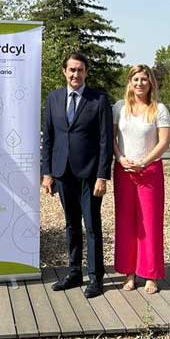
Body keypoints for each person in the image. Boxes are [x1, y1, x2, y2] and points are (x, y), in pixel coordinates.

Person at [41, 53, 113, 299]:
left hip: (91, 175)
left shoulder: (99, 99)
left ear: (86, 72)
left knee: (92, 225)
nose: (75, 74)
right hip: (63, 173)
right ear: (64, 72)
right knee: (71, 224)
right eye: (72, 70)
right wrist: (47, 172)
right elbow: (48, 138)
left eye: (80, 70)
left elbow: (105, 140)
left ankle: (95, 277)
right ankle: (74, 272)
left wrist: (103, 175)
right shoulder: (53, 98)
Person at [112, 65, 170, 295]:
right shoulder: (120, 108)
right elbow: (113, 139)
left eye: (144, 79)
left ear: (151, 83)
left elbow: (163, 142)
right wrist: (120, 158)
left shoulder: (159, 109)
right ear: (130, 82)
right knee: (126, 223)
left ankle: (150, 274)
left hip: (150, 172)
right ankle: (129, 273)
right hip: (124, 172)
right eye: (135, 79)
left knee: (150, 224)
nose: (139, 83)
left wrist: (145, 162)